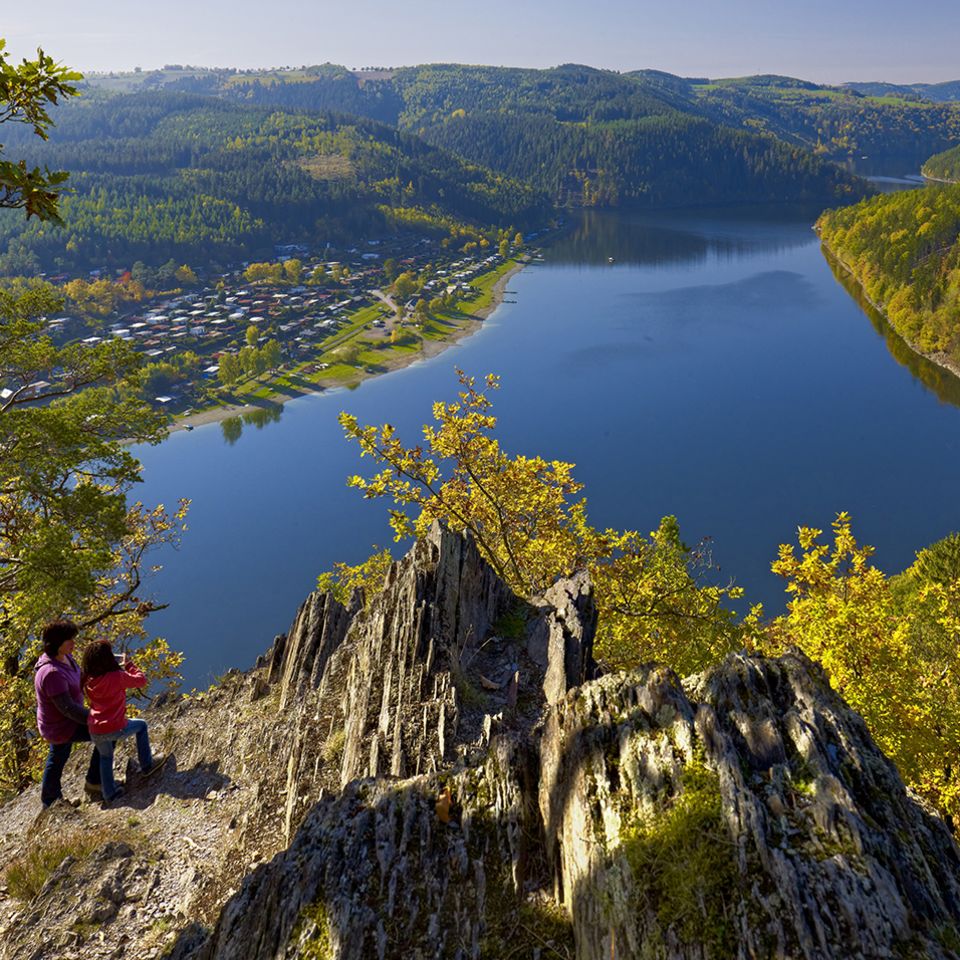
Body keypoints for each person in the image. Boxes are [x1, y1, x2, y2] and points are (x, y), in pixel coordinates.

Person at [81, 640, 165, 803]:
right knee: (141, 725)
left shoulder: (88, 679)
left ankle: (109, 794)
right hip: (115, 727)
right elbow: (140, 680)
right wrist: (129, 664)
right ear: (108, 659)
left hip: (95, 729)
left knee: (105, 758)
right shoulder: (116, 677)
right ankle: (147, 765)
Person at [34, 620, 103, 807]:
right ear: (57, 643)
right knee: (106, 732)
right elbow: (67, 708)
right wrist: (97, 718)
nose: (73, 643)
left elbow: (80, 678)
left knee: (57, 757)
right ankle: (95, 782)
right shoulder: (51, 673)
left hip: (63, 723)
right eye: (69, 640)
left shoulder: (65, 658)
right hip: (60, 726)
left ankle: (51, 802)